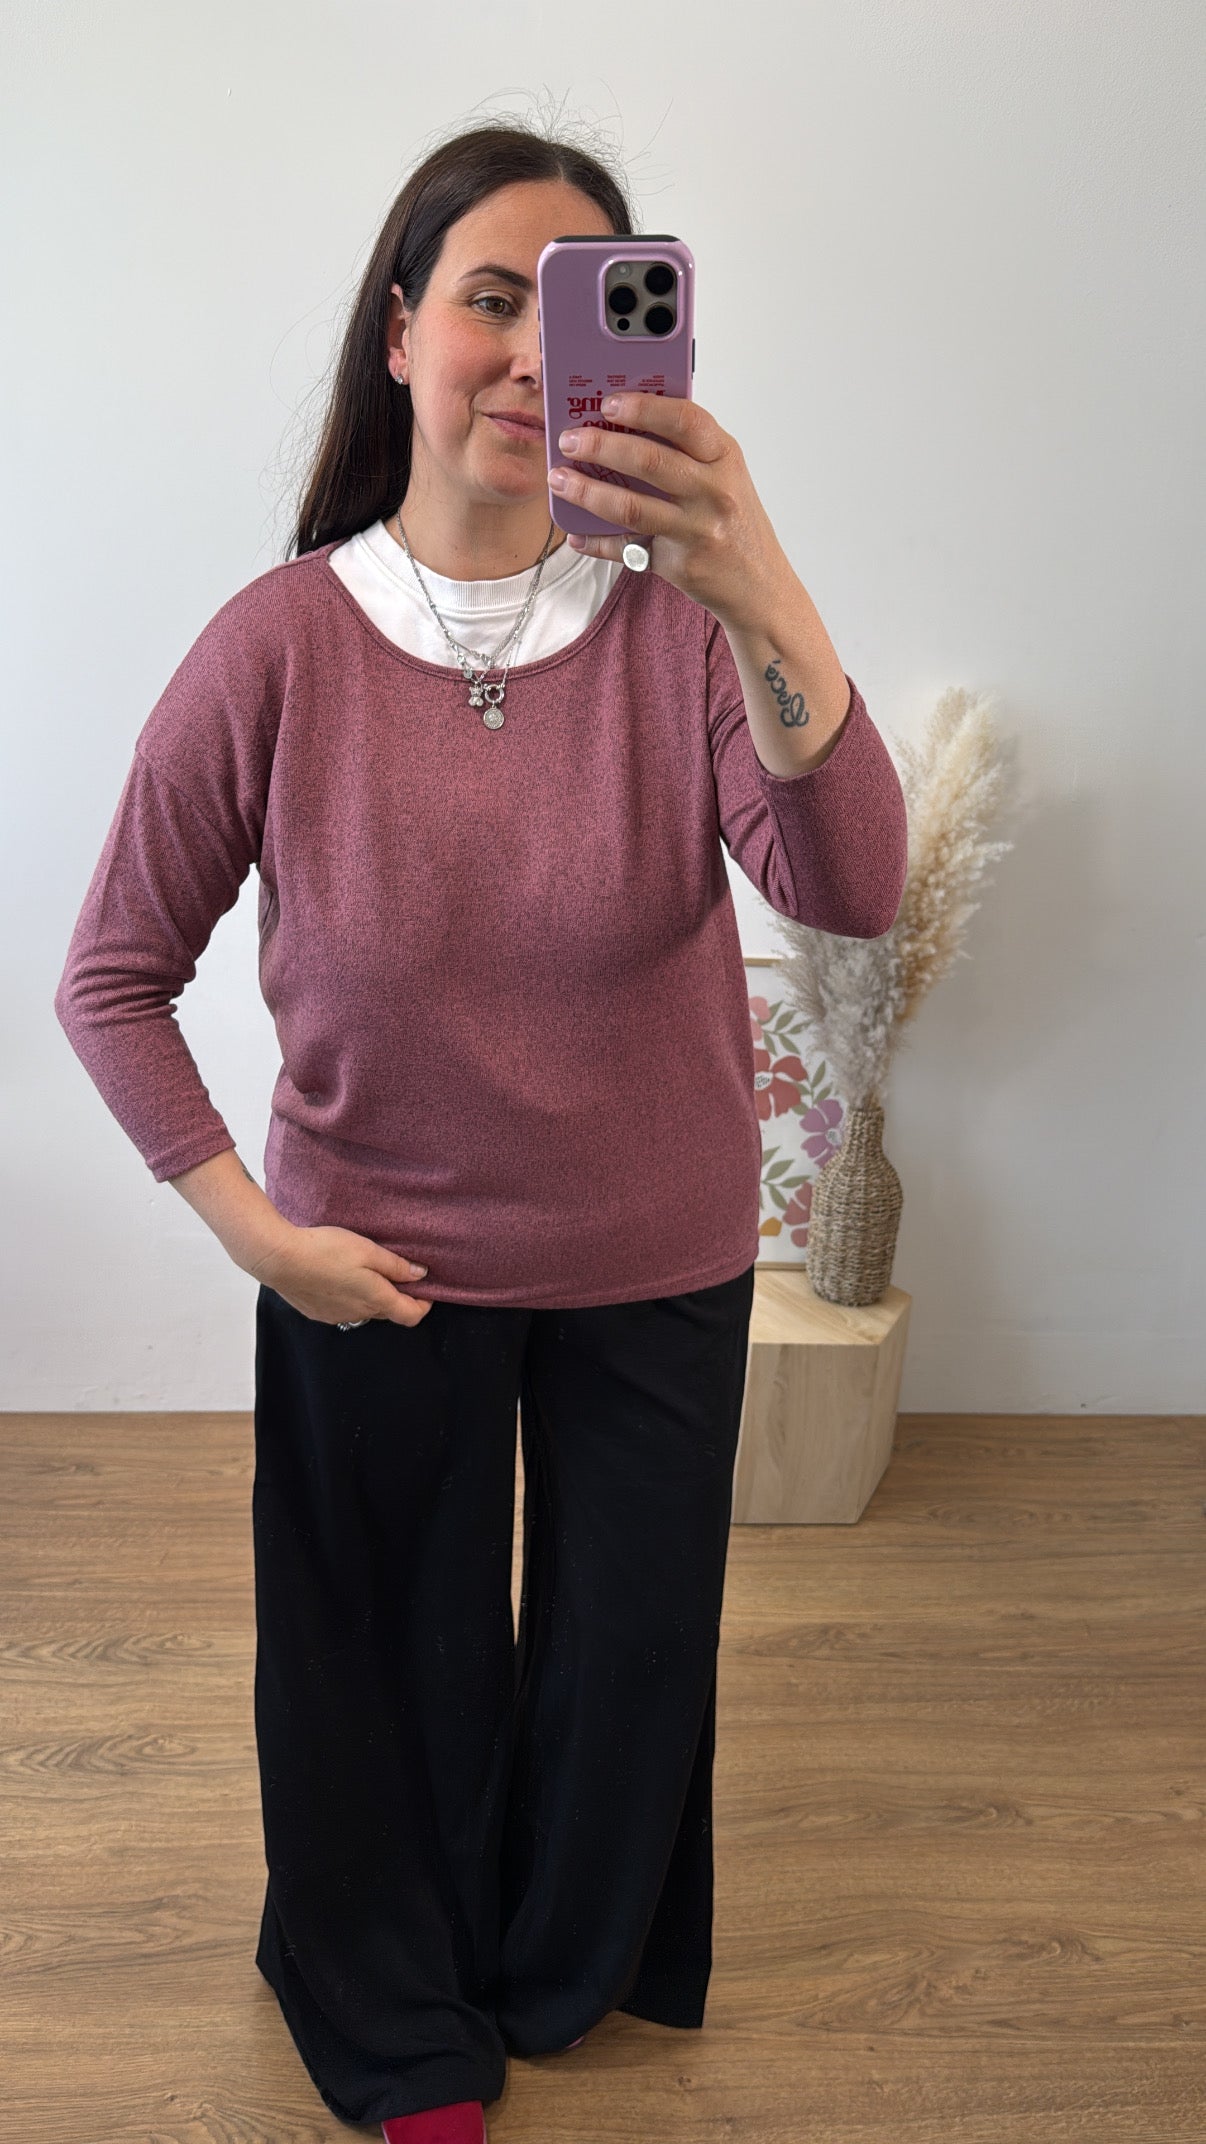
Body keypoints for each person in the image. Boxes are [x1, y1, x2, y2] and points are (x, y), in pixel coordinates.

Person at [53, 118, 908, 2144]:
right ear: (398, 333)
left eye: (584, 307)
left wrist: (757, 576)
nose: (534, 352)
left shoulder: (687, 633)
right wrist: (254, 1230)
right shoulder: (276, 645)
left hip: (658, 1255)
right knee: (379, 1662)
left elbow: (852, 886)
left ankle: (559, 1964)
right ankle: (393, 2012)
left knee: (628, 1662)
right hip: (376, 1265)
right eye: (490, 299)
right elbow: (111, 975)